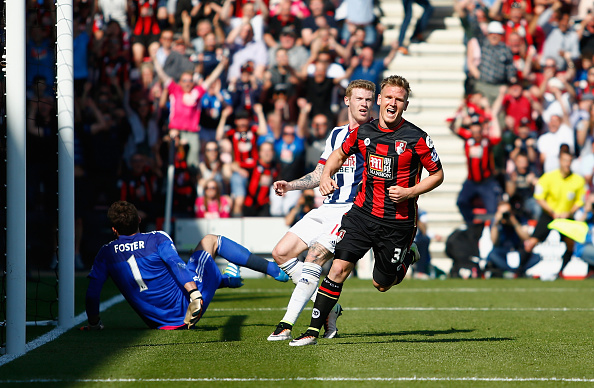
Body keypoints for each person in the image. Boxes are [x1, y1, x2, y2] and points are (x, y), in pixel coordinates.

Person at [289, 75, 444, 346]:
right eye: (389, 98)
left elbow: (437, 174)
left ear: (405, 105)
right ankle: (312, 331)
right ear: (380, 100)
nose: (393, 103)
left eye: (399, 99)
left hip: (398, 223)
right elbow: (338, 155)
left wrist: (409, 192)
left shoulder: (416, 137)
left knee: (381, 284)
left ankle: (408, 256)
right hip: (361, 214)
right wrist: (326, 176)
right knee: (337, 269)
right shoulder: (364, 132)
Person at [266, 79, 375, 342]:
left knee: (313, 258)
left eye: (369, 99)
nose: (364, 104)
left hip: (351, 211)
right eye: (359, 98)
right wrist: (291, 185)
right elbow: (320, 172)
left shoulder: (377, 134)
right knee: (280, 253)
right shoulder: (337, 134)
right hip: (327, 207)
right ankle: (329, 306)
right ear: (347, 101)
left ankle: (286, 324)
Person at [82, 201, 288, 331]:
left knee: (186, 265)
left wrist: (94, 323)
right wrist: (194, 295)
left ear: (114, 229)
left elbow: (92, 294)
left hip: (157, 323)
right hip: (187, 307)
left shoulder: (105, 253)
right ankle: (273, 270)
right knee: (211, 241)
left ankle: (222, 279)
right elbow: (175, 264)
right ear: (138, 220)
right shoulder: (156, 238)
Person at [521, 148, 587, 279]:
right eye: (565, 160)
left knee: (570, 244)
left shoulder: (578, 180)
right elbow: (539, 197)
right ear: (560, 161)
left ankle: (561, 272)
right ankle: (519, 270)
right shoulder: (549, 177)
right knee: (531, 242)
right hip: (549, 215)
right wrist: (552, 211)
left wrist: (568, 212)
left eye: (569, 161)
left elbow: (580, 201)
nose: (567, 164)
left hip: (566, 217)